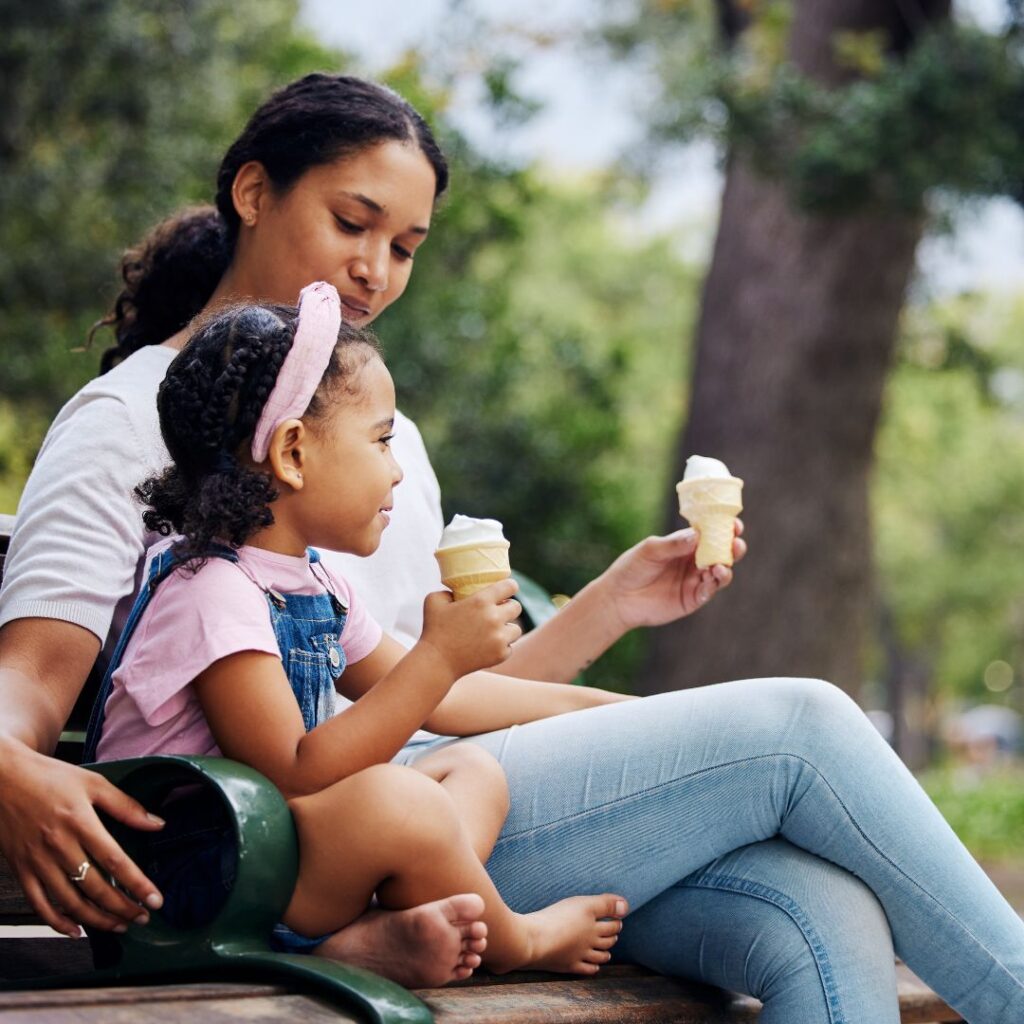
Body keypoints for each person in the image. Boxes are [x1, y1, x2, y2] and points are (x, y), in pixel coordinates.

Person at [0, 73, 1021, 1022]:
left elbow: (423, 691)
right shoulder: (127, 425)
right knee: (801, 721)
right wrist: (8, 764)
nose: (374, 270)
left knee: (816, 911)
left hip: (445, 812)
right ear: (254, 192)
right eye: (352, 223)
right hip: (340, 837)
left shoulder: (379, 445)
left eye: (404, 246)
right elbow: (35, 688)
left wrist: (612, 619)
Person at [91, 283, 628, 975]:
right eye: (381, 440)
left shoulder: (312, 582)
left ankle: (370, 936)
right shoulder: (210, 591)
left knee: (472, 770)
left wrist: (611, 711)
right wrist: (436, 660)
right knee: (399, 799)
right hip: (186, 891)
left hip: (269, 863)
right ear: (292, 453)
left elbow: (448, 704)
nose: (398, 470)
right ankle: (520, 941)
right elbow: (290, 775)